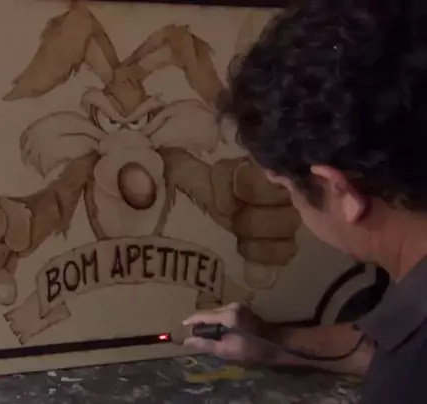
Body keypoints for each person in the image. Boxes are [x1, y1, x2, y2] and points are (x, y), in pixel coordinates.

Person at [182, 0, 427, 402]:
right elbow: (389, 341)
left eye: (285, 188)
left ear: (339, 190)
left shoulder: (405, 382)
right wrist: (276, 342)